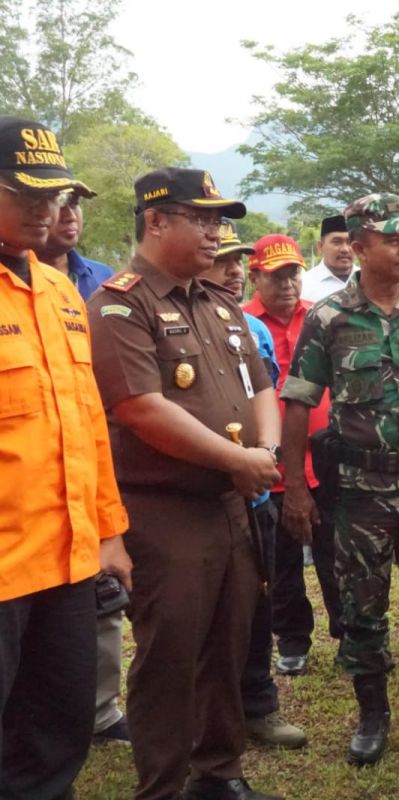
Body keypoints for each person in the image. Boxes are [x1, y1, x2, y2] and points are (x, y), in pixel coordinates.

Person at [86, 167, 284, 800]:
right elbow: (140, 407)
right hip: (161, 508)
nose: (215, 232)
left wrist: (267, 451)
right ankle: (164, 786)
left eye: (218, 220)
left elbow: (262, 388)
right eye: (201, 219)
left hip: (231, 502)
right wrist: (239, 459)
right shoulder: (121, 303)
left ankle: (218, 772)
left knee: (230, 640)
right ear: (155, 221)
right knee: (170, 655)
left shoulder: (218, 302)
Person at [279, 194, 399, 765]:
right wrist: (293, 487)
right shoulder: (329, 317)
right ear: (359, 248)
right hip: (361, 490)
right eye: (392, 239)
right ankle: (373, 714)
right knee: (363, 607)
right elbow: (298, 403)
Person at [0, 116, 131, 799]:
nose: (42, 206)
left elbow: (85, 425)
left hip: (68, 563)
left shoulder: (60, 295)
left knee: (56, 733)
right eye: (22, 190)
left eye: (52, 193)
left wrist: (108, 531)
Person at [31, 179, 133, 747]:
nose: (59, 214)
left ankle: (96, 714)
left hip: (82, 503)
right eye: (46, 200)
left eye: (68, 204)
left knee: (98, 600)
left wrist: (109, 525)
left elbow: (93, 407)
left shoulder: (82, 287)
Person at [200, 225, 307, 751]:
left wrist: (266, 459)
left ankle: (258, 704)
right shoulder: (161, 323)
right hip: (199, 497)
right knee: (203, 616)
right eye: (222, 260)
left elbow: (270, 398)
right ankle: (204, 719)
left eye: (238, 260)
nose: (233, 270)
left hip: (257, 494)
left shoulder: (252, 331)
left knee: (257, 604)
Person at [243, 234, 343, 680]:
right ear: (256, 277)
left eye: (293, 274)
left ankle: (348, 634)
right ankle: (294, 640)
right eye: (276, 276)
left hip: (325, 459)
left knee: (336, 554)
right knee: (282, 562)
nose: (286, 284)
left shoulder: (322, 318)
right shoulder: (241, 322)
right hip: (272, 461)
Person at [33, 186, 113, 298]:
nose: (70, 216)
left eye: (74, 203)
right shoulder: (11, 280)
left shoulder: (103, 276)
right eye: (59, 204)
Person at [300, 214, 356, 303]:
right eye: (337, 242)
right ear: (320, 247)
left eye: (349, 242)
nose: (345, 249)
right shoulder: (303, 285)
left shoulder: (369, 281)